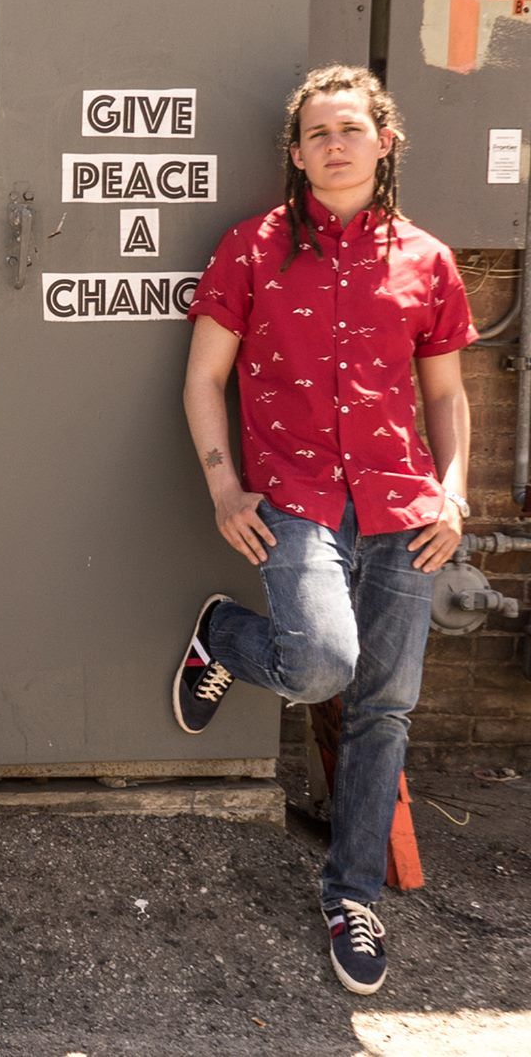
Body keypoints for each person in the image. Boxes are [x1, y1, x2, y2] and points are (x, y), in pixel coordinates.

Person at [177, 64, 473, 996]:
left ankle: (352, 897)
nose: (334, 145)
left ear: (384, 142)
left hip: (404, 508)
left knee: (385, 707)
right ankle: (224, 634)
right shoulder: (252, 249)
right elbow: (203, 379)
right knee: (318, 666)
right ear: (298, 154)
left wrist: (455, 495)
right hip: (296, 497)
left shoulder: (427, 259)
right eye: (317, 133)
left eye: (351, 129)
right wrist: (224, 489)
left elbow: (447, 394)